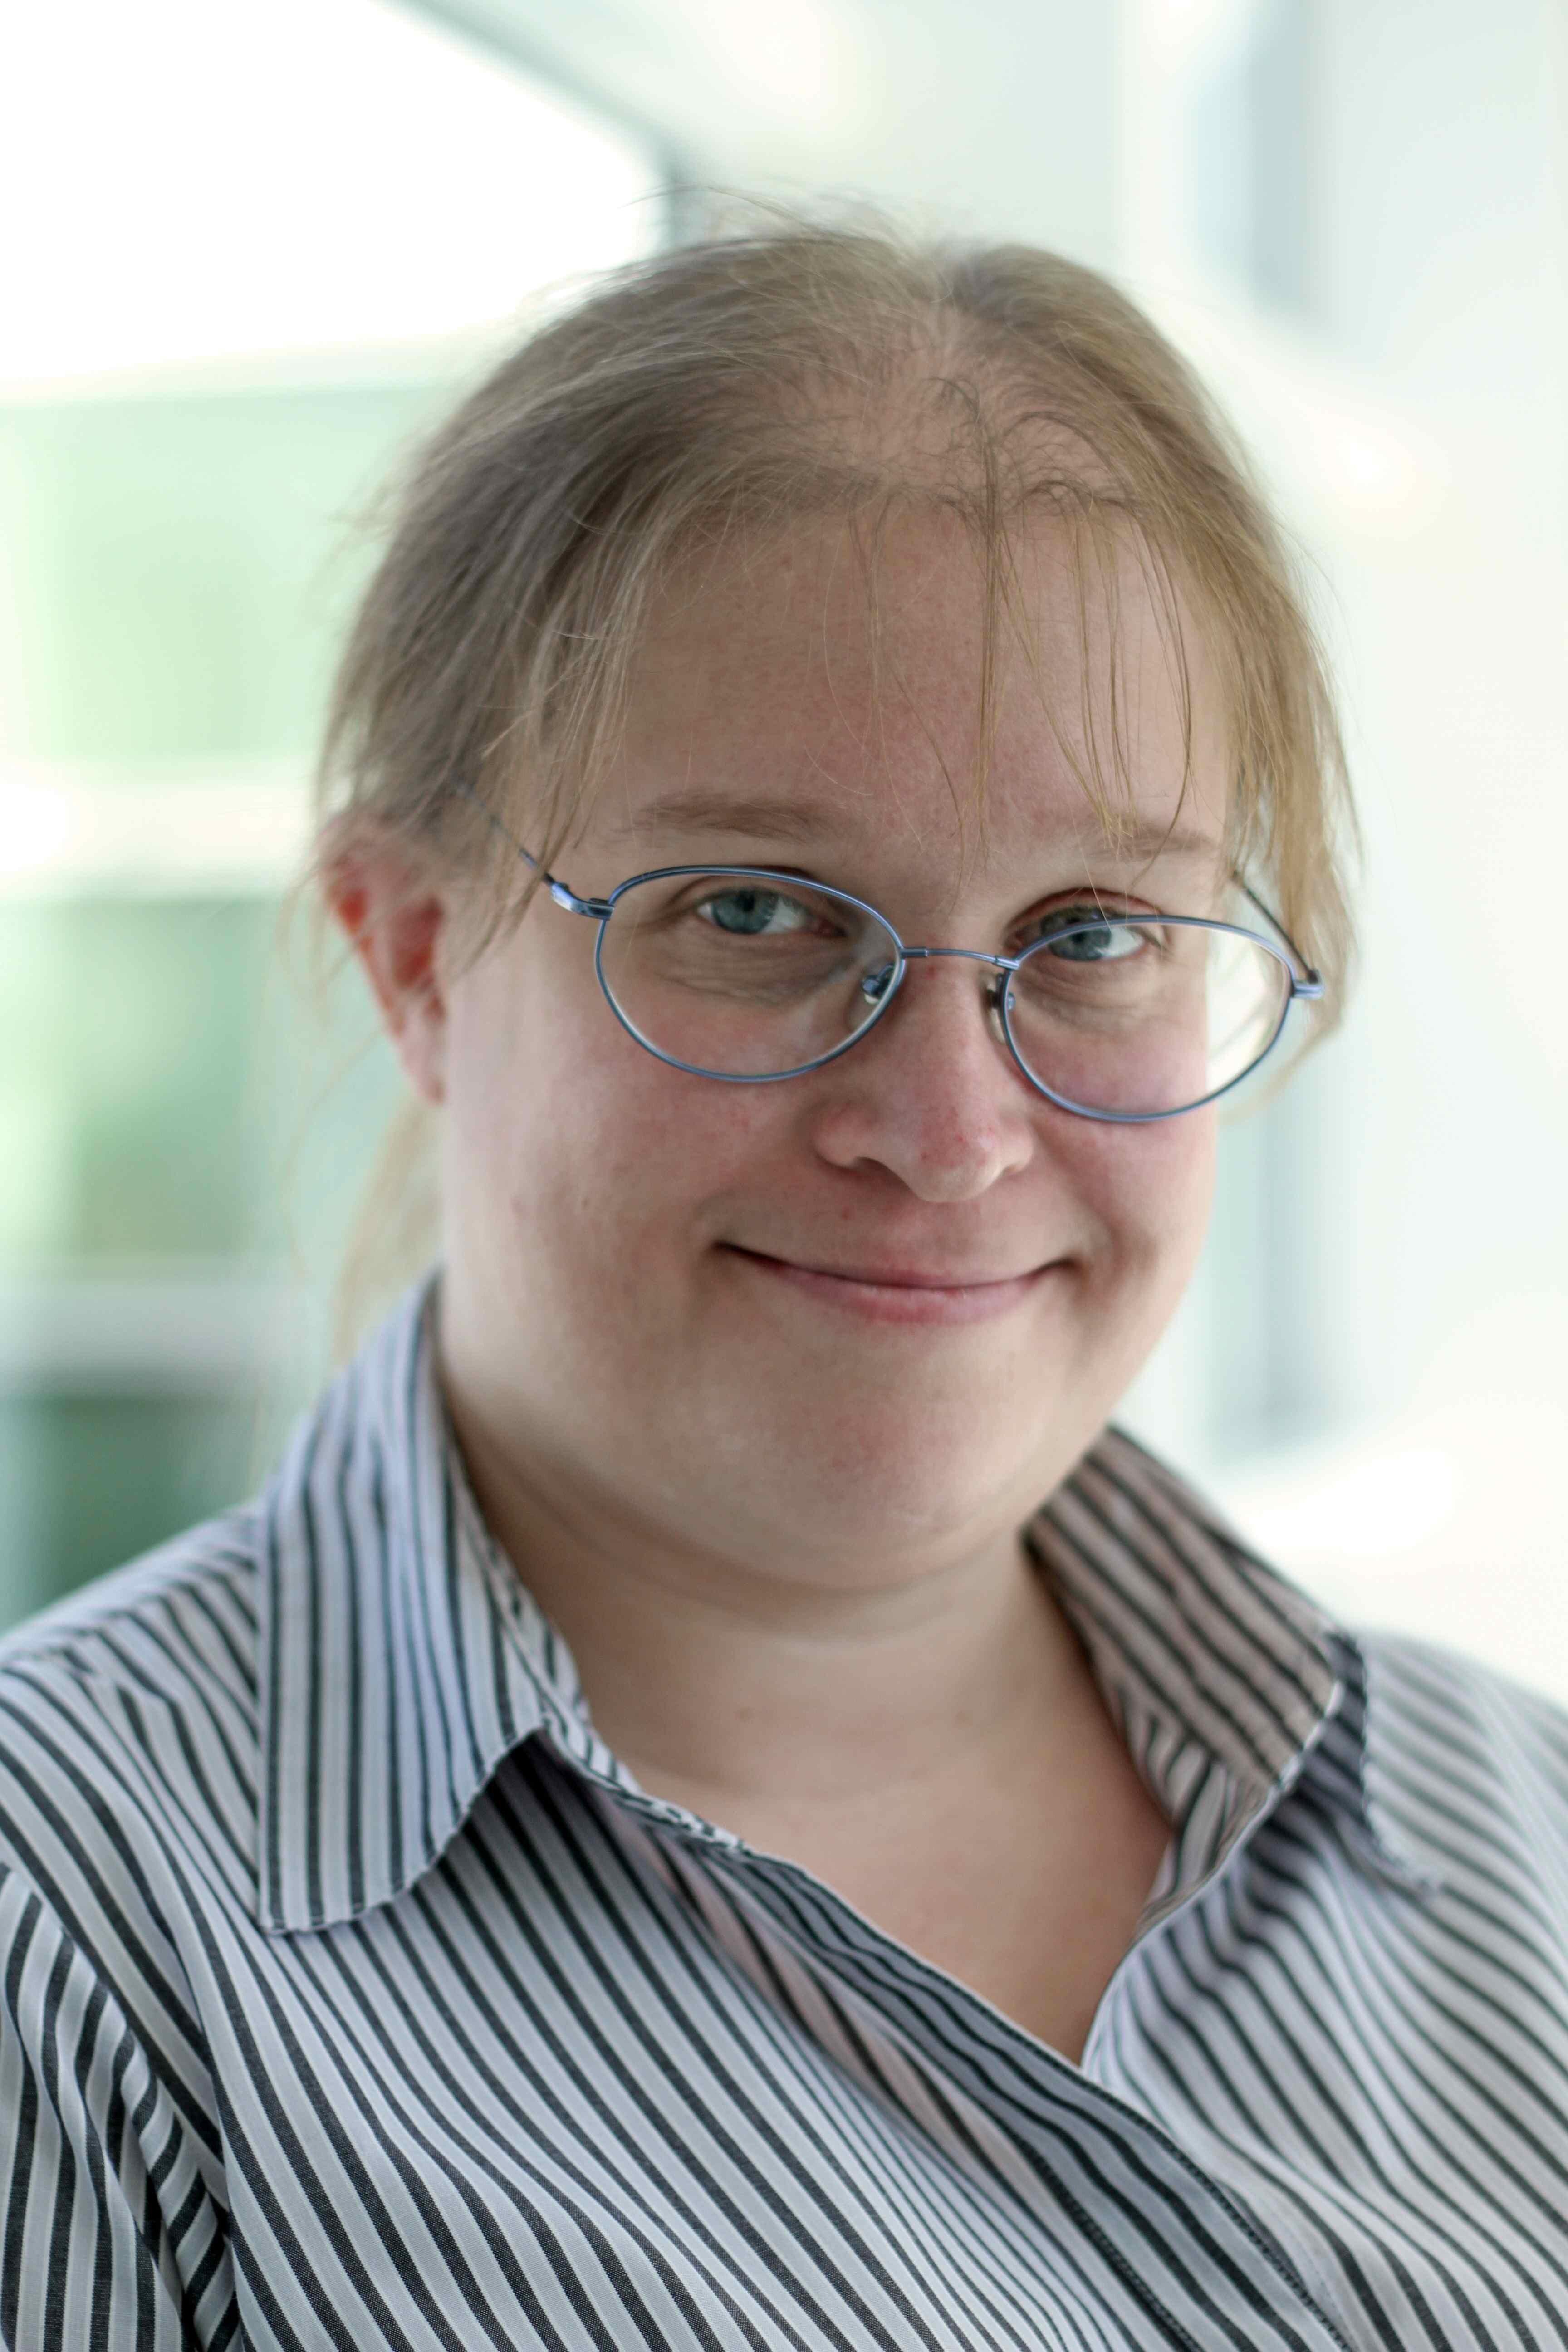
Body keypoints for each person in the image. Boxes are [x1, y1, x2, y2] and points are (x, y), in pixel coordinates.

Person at [2, 225, 1566, 2352]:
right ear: (414, 954)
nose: (949, 1133)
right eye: (755, 912)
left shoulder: (1522, 1834)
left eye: (1095, 934)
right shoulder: (72, 1958)